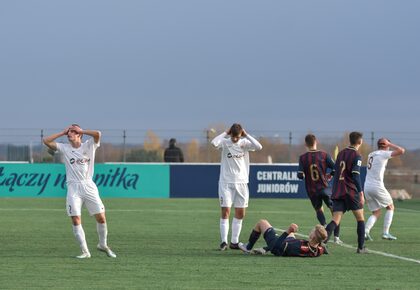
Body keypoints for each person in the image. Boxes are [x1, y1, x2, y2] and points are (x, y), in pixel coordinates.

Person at [43, 124, 116, 259]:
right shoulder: (64, 148)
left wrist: (82, 130)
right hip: (73, 188)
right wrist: (61, 132)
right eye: (69, 131)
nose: (70, 133)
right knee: (76, 219)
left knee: (101, 217)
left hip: (88, 186)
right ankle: (85, 251)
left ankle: (103, 244)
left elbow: (98, 133)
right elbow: (46, 141)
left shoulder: (89, 145)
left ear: (79, 134)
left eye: (73, 131)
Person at [211, 123, 262, 250]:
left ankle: (234, 242)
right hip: (226, 183)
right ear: (230, 134)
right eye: (233, 137)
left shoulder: (244, 143)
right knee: (226, 211)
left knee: (240, 213)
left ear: (241, 135)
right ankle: (223, 242)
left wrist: (247, 135)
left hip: (242, 182)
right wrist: (225, 132)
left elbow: (259, 147)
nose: (235, 139)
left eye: (237, 137)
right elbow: (213, 143)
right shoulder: (224, 142)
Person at [325, 131, 367, 253]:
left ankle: (322, 243)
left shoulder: (341, 153)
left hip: (338, 190)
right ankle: (361, 248)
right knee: (360, 218)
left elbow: (337, 171)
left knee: (335, 220)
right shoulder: (357, 155)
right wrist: (360, 192)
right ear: (360, 141)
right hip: (350, 191)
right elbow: (355, 175)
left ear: (350, 140)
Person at [298, 134, 342, 244]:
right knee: (335, 212)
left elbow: (300, 175)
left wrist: (303, 175)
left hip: (312, 190)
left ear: (305, 144)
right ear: (316, 142)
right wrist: (331, 174)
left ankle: (324, 226)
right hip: (325, 188)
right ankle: (336, 237)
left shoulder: (303, 158)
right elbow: (336, 168)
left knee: (319, 210)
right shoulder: (324, 155)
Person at [364, 138, 405, 241]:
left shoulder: (371, 154)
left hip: (367, 187)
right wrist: (390, 144)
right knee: (390, 207)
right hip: (376, 186)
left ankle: (365, 232)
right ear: (386, 145)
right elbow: (401, 150)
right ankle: (385, 233)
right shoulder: (383, 154)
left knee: (376, 212)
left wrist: (386, 145)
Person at [238, 219, 327, 257]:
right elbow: (322, 245)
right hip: (289, 245)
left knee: (262, 222)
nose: (310, 231)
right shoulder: (319, 250)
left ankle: (247, 248)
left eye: (312, 231)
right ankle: (264, 249)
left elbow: (276, 247)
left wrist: (287, 231)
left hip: (278, 246)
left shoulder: (296, 245)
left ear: (313, 236)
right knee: (292, 235)